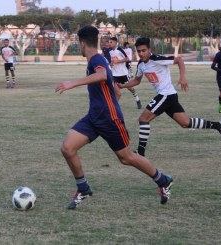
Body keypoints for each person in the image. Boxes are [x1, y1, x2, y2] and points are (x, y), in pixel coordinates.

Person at [55, 26, 173, 209]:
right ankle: (83, 187)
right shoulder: (96, 60)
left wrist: (72, 83)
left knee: (126, 158)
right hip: (94, 118)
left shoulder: (97, 59)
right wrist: (110, 99)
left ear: (83, 43)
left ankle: (163, 180)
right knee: (67, 148)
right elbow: (115, 90)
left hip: (110, 119)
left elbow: (102, 75)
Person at [118, 37, 221, 157]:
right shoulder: (141, 65)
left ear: (149, 49)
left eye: (143, 50)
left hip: (166, 95)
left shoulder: (157, 59)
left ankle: (140, 153)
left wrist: (182, 77)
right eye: (139, 51)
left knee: (143, 119)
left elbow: (179, 60)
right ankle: (218, 125)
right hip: (169, 96)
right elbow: (137, 80)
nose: (141, 53)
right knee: (185, 123)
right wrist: (123, 85)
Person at [109, 37, 142, 109]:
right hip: (114, 74)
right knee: (115, 90)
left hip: (123, 74)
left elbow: (127, 59)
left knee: (130, 88)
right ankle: (113, 106)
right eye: (109, 42)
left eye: (111, 42)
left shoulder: (120, 50)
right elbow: (113, 61)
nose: (110, 44)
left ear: (115, 42)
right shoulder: (110, 52)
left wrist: (118, 61)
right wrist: (111, 64)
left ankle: (137, 99)